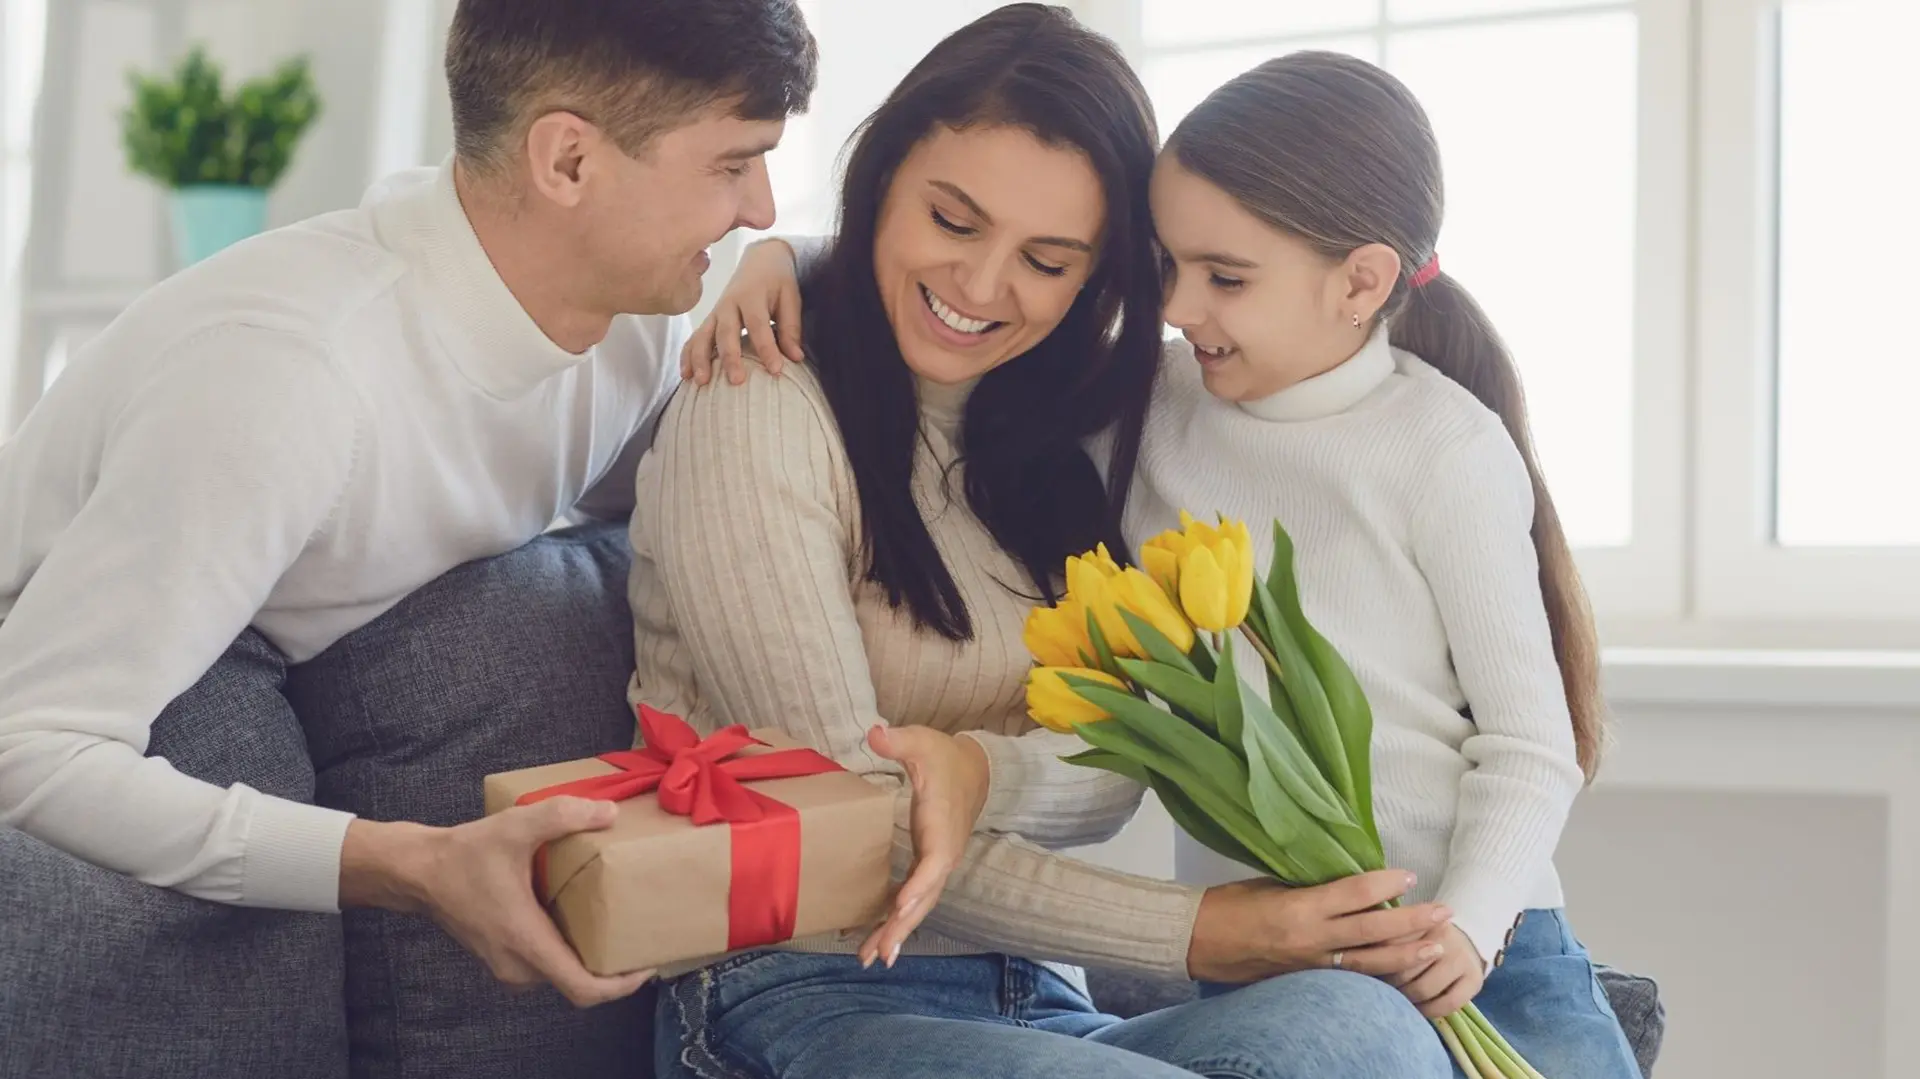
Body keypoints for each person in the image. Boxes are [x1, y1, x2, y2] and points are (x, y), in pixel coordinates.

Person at [694, 47, 1642, 1079]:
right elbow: (971, 292)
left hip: (1485, 942)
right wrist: (790, 259)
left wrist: (1467, 921)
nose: (1180, 306)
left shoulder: (1443, 448)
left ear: (1361, 281)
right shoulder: (1155, 405)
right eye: (1165, 268)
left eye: (1225, 277)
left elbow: (1529, 741)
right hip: (1279, 958)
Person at [0, 0, 815, 1010]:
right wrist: (414, 863)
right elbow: (30, 743)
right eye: (733, 164)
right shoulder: (286, 382)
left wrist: (797, 266)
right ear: (566, 161)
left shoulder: (633, 328)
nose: (762, 209)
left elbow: (662, 501)